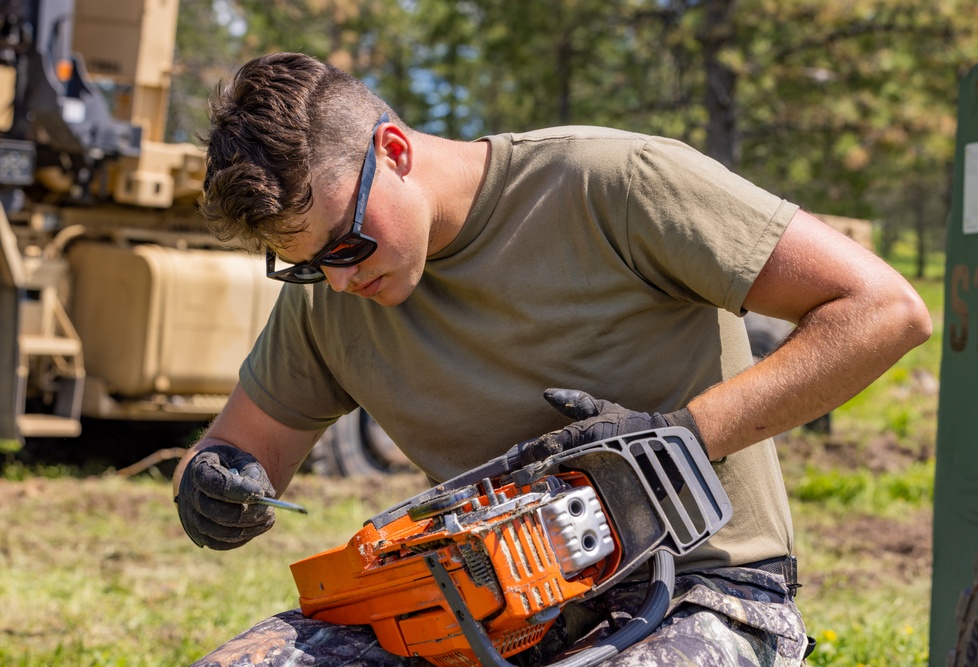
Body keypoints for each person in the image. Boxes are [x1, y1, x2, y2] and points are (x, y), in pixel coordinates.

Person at [173, 51, 931, 667]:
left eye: (345, 244)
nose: (339, 279)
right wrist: (211, 482)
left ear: (395, 151)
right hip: (471, 611)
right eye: (306, 265)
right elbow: (241, 450)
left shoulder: (613, 185)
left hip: (698, 593)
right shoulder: (330, 295)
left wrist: (677, 439)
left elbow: (883, 308)